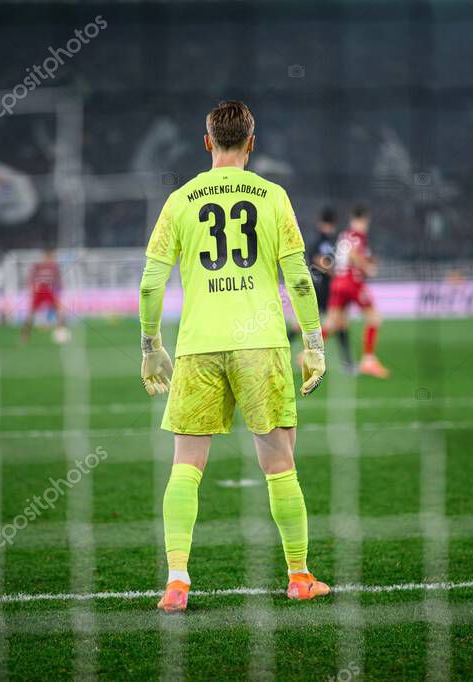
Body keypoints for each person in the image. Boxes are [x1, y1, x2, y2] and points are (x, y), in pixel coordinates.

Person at [138, 100, 329, 613]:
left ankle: (177, 581)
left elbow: (151, 281)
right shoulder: (272, 196)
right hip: (260, 344)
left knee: (185, 467)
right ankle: (299, 576)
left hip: (199, 346)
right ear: (252, 141)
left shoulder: (180, 199)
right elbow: (299, 279)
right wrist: (312, 342)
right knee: (279, 465)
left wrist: (151, 345)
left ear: (206, 142)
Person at [324, 205, 389, 378]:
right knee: (374, 318)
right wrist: (367, 266)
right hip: (352, 282)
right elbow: (353, 254)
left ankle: (308, 354)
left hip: (338, 281)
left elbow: (345, 255)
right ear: (362, 220)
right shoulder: (357, 235)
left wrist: (367, 261)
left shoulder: (344, 235)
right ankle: (368, 361)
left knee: (333, 323)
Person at [306, 208, 354, 371]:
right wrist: (336, 273)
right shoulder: (319, 241)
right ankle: (345, 362)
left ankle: (346, 362)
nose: (328, 227)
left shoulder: (332, 240)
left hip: (328, 288)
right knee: (337, 324)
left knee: (339, 323)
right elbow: (317, 260)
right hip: (320, 288)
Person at [20, 249, 66, 342]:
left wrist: (60, 287)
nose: (50, 260)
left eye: (51, 258)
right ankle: (25, 334)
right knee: (31, 313)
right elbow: (31, 277)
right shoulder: (38, 266)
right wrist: (31, 287)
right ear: (45, 258)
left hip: (49, 291)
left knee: (60, 309)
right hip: (39, 291)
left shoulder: (54, 267)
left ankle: (60, 331)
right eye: (49, 258)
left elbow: (57, 279)